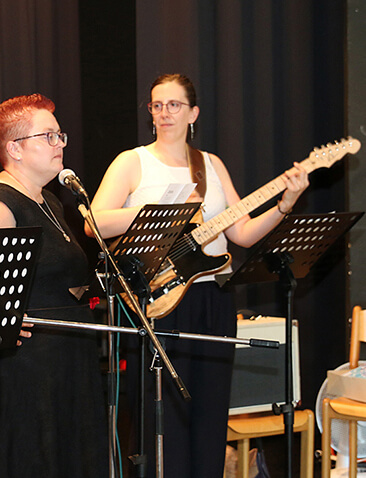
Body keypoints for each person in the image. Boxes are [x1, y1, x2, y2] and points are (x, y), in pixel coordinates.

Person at [87, 73, 309, 477]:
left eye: (173, 105)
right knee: (165, 419)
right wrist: (161, 210)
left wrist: (285, 204)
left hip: (212, 298)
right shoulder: (132, 161)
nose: (164, 113)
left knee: (210, 414)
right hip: (160, 302)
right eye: (156, 105)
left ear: (194, 113)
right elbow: (93, 225)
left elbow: (240, 233)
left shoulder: (210, 165)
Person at [0, 94, 109, 478]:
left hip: (60, 363)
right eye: (49, 136)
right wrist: (3, 317)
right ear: (15, 148)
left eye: (60, 134)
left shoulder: (48, 199)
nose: (61, 143)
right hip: (26, 370)